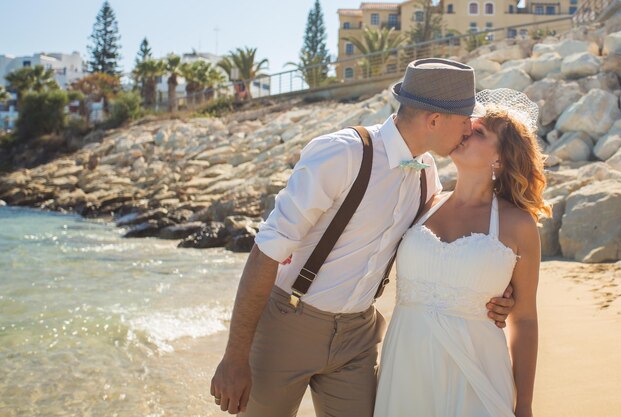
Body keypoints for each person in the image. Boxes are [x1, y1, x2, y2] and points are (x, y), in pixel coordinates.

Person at [210, 58, 516, 417]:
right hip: (288, 324)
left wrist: (493, 289)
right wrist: (234, 357)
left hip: (359, 338)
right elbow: (266, 252)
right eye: (465, 119)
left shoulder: (427, 173)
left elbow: (440, 243)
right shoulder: (341, 153)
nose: (470, 128)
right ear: (434, 120)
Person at [373, 88, 551, 417]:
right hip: (406, 368)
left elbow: (524, 319)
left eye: (479, 132)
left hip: (477, 371)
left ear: (500, 158)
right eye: (469, 125)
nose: (466, 131)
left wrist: (524, 405)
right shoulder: (423, 199)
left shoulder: (517, 224)